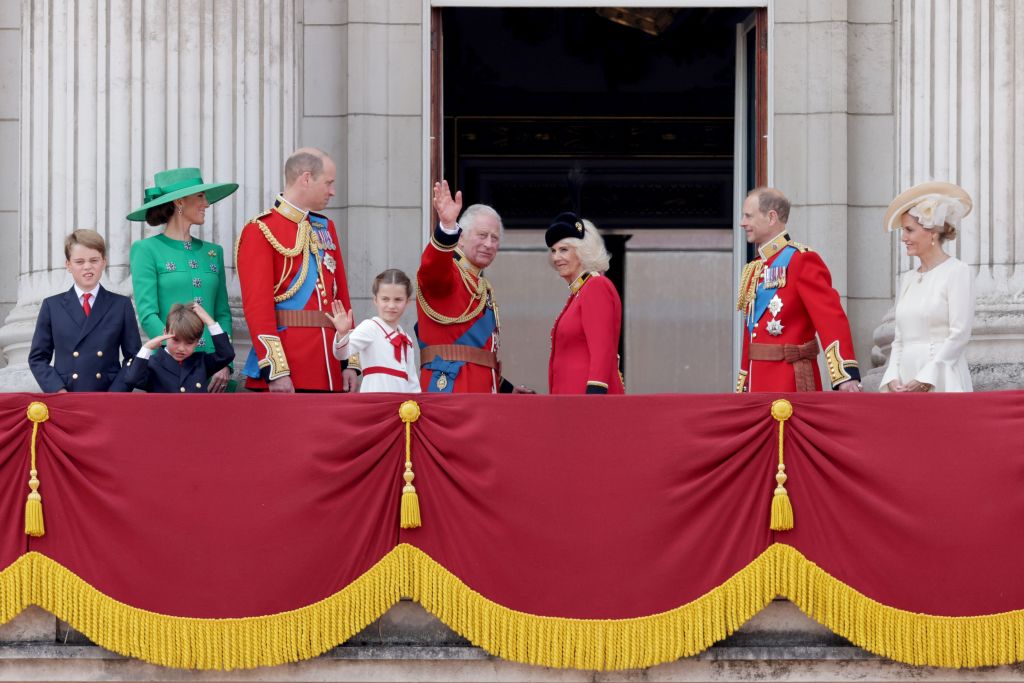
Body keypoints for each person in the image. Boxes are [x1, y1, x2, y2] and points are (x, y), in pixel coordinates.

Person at [236, 148, 357, 393]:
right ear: (306, 178)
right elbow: (257, 309)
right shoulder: (260, 230)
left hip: (331, 369)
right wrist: (276, 370)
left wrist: (349, 361)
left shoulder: (326, 227)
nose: (332, 191)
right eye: (328, 183)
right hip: (291, 370)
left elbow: (341, 297)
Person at [735, 187, 861, 393]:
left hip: (790, 380)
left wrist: (844, 375)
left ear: (771, 217)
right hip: (756, 384)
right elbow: (752, 336)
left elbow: (830, 318)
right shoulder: (755, 267)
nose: (742, 222)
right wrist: (744, 383)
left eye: (748, 216)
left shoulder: (801, 260)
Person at [127, 167, 238, 392]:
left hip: (215, 373)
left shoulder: (213, 252)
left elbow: (223, 313)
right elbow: (148, 314)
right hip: (170, 373)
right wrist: (177, 355)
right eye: (200, 196)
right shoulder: (146, 249)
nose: (206, 204)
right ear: (179, 202)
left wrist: (225, 363)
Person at [417, 180, 530, 393]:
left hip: (480, 395)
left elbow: (478, 355)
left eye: (494, 238)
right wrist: (447, 228)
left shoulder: (481, 286)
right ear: (460, 239)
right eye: (482, 235)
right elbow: (432, 268)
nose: (488, 244)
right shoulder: (448, 274)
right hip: (450, 391)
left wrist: (506, 389)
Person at [879, 181, 975, 393]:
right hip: (905, 379)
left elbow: (959, 334)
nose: (904, 238)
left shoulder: (957, 271)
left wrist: (927, 377)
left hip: (942, 378)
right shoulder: (907, 279)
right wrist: (893, 375)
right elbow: (899, 339)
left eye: (909, 230)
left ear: (932, 233)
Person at [29, 229, 142, 392]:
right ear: (68, 265)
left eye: (94, 260)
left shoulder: (121, 305)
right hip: (67, 395)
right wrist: (57, 390)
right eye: (79, 261)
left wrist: (117, 393)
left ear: (104, 262)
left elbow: (133, 357)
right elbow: (37, 358)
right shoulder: (52, 306)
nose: (87, 267)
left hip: (108, 394)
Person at [545, 213, 624, 395]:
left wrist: (593, 399)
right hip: (570, 403)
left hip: (586, 404)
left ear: (582, 251)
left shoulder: (596, 286)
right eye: (553, 251)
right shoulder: (578, 294)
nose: (556, 257)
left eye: (564, 250)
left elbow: (601, 350)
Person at [327, 269, 420, 393]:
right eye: (385, 299)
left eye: (398, 300)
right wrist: (342, 334)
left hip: (401, 408)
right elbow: (342, 354)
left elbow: (413, 384)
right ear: (375, 300)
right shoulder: (370, 327)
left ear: (407, 301)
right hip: (374, 404)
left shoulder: (406, 339)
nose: (391, 305)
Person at [122, 303, 235, 393]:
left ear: (197, 341)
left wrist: (209, 321)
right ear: (165, 332)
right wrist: (146, 348)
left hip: (197, 419)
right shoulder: (154, 363)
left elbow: (226, 354)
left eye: (189, 343)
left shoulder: (201, 362)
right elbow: (132, 379)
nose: (181, 348)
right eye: (176, 340)